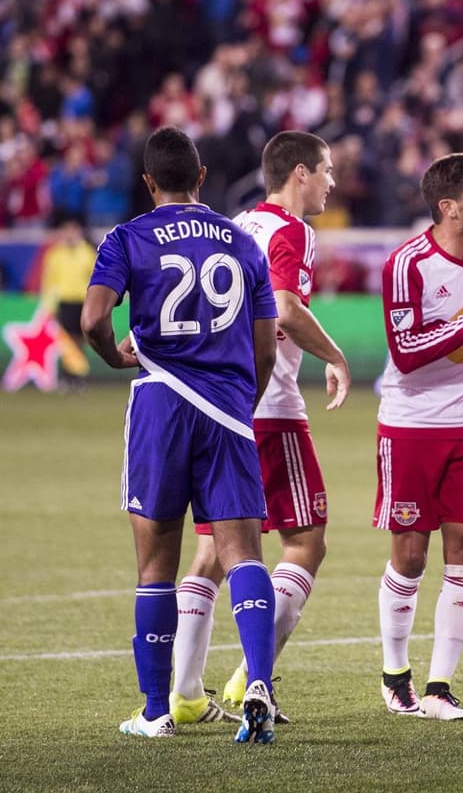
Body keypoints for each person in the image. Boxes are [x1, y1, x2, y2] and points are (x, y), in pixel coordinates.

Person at [81, 126, 280, 742]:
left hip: (160, 405)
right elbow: (266, 345)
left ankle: (154, 710)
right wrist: (240, 401)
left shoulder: (127, 237)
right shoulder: (242, 242)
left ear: (148, 183)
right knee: (242, 553)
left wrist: (115, 357)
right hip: (226, 409)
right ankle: (261, 686)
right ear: (201, 176)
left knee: (156, 564)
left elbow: (92, 318)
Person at [170, 130, 351, 727]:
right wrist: (334, 356)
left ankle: (188, 695)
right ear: (299, 173)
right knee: (307, 540)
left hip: (215, 404)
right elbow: (288, 306)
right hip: (270, 405)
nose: (332, 182)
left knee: (213, 551)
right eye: (326, 171)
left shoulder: (236, 225)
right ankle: (255, 672)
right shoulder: (291, 231)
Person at [374, 152, 463, 720]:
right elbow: (406, 355)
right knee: (410, 556)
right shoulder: (405, 264)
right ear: (448, 206)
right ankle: (395, 675)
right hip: (411, 427)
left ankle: (439, 687)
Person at [38, 211, 96, 391]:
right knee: (67, 340)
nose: (70, 234)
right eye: (67, 230)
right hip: (64, 301)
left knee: (80, 339)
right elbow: (48, 281)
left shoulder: (86, 253)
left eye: (73, 230)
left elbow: (96, 278)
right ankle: (68, 376)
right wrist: (49, 305)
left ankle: (77, 375)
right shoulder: (55, 254)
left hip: (82, 301)